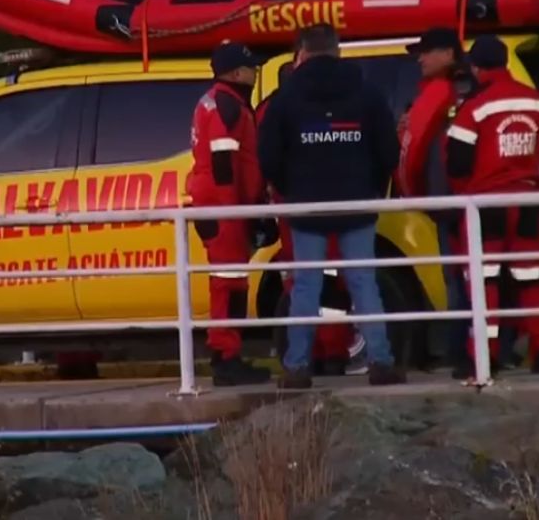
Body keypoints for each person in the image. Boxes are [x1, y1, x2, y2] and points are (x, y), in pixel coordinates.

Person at [257, 23, 405, 389]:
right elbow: (389, 151)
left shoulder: (286, 97)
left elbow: (269, 156)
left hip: (306, 207)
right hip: (356, 203)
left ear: (303, 53)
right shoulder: (367, 93)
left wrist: (291, 190)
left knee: (305, 286)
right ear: (338, 51)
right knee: (363, 284)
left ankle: (297, 367)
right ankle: (381, 362)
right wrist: (371, 187)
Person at [444, 35, 539, 377]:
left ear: (475, 67)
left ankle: (484, 357)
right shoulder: (534, 100)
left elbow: (457, 163)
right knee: (532, 279)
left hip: (486, 205)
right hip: (530, 201)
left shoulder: (474, 106)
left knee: (485, 283)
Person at [396, 27, 485, 375]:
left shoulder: (449, 92)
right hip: (457, 201)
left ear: (448, 53)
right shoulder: (447, 92)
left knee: (463, 277)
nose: (420, 58)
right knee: (468, 276)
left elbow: (432, 153)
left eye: (426, 51)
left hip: (455, 202)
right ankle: (472, 349)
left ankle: (464, 351)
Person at [188, 41, 272, 387]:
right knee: (229, 285)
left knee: (230, 284)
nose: (255, 73)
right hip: (225, 209)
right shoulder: (227, 105)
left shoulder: (219, 101)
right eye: (252, 69)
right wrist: (240, 211)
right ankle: (225, 358)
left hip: (220, 206)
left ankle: (227, 354)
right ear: (237, 73)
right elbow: (223, 163)